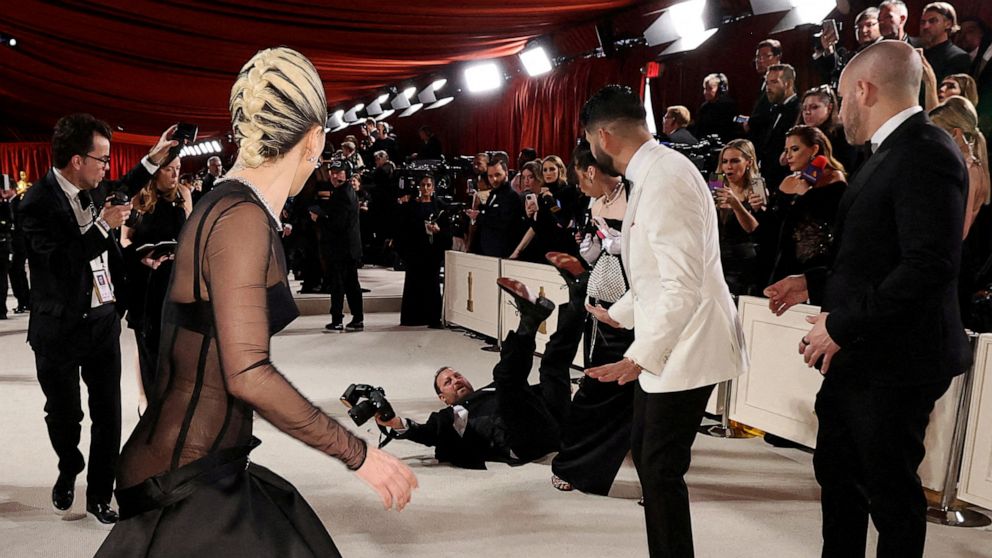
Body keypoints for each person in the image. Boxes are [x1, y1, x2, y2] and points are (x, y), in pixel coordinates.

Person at [97, 47, 417, 557]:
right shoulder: (242, 219)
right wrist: (359, 455)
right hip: (186, 474)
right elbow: (247, 373)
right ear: (313, 139)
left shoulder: (223, 203)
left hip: (197, 457)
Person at [764, 40, 970, 558]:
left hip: (897, 360)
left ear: (863, 89)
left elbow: (928, 265)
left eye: (841, 95)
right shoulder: (892, 151)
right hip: (866, 354)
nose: (840, 110)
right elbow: (876, 255)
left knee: (891, 497)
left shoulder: (926, 150)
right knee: (838, 477)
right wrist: (812, 281)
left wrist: (839, 324)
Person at [580, 85, 747, 558]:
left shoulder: (665, 177)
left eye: (590, 141)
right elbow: (657, 272)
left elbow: (682, 284)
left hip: (687, 344)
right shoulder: (654, 172)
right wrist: (617, 313)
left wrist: (638, 358)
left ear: (604, 137)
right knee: (648, 455)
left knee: (659, 467)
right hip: (671, 339)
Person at [20, 114, 178, 526]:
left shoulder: (92, 191)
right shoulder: (35, 203)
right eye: (102, 159)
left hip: (102, 320)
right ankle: (69, 464)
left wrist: (152, 159)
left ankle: (100, 494)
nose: (107, 168)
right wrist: (101, 229)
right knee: (64, 414)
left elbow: (122, 188)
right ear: (77, 160)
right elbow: (57, 262)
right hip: (58, 327)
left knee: (108, 412)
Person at [379, 278, 566, 469]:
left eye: (457, 376)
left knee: (552, 367)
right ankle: (529, 321)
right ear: (443, 397)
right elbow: (426, 433)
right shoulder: (451, 415)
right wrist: (395, 422)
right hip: (521, 442)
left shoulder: (489, 390)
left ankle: (578, 294)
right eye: (447, 382)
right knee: (505, 377)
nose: (455, 381)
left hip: (550, 425)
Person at [548, 141, 636, 496]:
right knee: (595, 391)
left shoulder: (636, 194)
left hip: (630, 309)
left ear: (590, 171)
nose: (578, 187)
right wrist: (593, 249)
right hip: (599, 304)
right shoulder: (596, 201)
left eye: (579, 178)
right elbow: (594, 252)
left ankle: (649, 476)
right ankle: (580, 465)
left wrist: (624, 245)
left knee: (613, 396)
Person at [121, 156, 192, 411]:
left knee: (178, 338)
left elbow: (190, 234)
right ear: (156, 172)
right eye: (169, 169)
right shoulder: (138, 198)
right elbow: (125, 240)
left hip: (175, 275)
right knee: (146, 339)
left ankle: (176, 395)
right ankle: (145, 397)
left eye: (178, 170)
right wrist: (143, 258)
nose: (175, 175)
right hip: (147, 276)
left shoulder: (183, 194)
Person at [768, 125, 847, 287]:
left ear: (814, 149)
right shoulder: (789, 180)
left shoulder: (834, 180)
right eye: (786, 150)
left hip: (815, 268)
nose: (788, 155)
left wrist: (805, 192)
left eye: (795, 149)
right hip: (782, 261)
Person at [312, 160, 364, 332]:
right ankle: (357, 319)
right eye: (332, 172)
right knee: (351, 284)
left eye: (338, 172)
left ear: (346, 173)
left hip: (342, 249)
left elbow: (338, 225)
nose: (334, 175)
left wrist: (319, 219)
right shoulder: (344, 191)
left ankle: (337, 320)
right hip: (349, 247)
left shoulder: (343, 194)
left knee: (339, 284)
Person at [930, 95, 989, 238]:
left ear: (956, 133)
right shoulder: (964, 166)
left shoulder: (970, 170)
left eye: (937, 133)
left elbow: (960, 229)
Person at [397, 174, 450, 328]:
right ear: (419, 187)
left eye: (428, 185)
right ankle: (412, 318)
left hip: (432, 253)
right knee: (413, 284)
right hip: (414, 252)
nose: (425, 188)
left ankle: (433, 318)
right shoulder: (411, 206)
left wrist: (438, 230)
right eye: (423, 185)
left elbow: (447, 232)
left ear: (433, 188)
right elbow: (404, 230)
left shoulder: (440, 207)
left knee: (432, 285)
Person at [713, 139, 763, 297]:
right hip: (717, 257)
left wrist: (735, 204)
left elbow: (753, 228)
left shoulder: (757, 185)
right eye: (724, 161)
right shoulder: (716, 181)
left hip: (742, 261)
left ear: (748, 162)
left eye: (735, 161)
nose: (728, 166)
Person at [754, 63, 800, 193]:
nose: (768, 88)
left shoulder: (799, 110)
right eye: (767, 83)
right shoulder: (773, 109)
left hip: (783, 183)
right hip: (766, 179)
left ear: (788, 84)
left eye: (774, 82)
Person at [793, 85, 858, 177]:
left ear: (829, 108)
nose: (807, 112)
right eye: (804, 108)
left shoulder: (841, 134)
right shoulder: (800, 134)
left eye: (814, 107)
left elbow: (843, 168)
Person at [466, 159, 525, 258]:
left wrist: (479, 216)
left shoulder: (511, 196)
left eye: (498, 175)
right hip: (488, 254)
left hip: (503, 255)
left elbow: (503, 222)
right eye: (490, 176)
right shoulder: (493, 194)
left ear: (506, 173)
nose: (494, 179)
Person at [812, 6, 883, 88]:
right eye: (859, 27)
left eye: (869, 25)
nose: (863, 30)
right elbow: (835, 75)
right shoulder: (851, 56)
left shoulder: (888, 51)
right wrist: (829, 49)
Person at [918, 2, 972, 83]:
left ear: (948, 24)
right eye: (923, 22)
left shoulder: (958, 57)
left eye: (932, 21)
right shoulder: (917, 51)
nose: (925, 26)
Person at [693, 73, 739, 142]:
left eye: (710, 89)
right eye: (705, 89)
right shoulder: (704, 107)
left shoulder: (728, 106)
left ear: (720, 90)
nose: (706, 92)